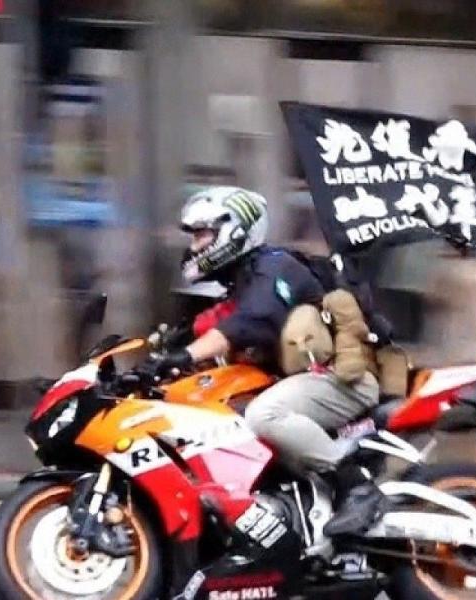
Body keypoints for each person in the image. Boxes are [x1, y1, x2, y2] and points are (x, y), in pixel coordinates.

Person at [143, 186, 383, 536]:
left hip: (344, 381)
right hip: (308, 384)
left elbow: (250, 320)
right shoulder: (245, 280)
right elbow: (210, 323)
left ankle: (356, 486)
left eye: (202, 235)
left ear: (235, 229)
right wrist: (159, 353)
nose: (194, 247)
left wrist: (186, 354)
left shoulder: (274, 268)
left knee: (263, 415)